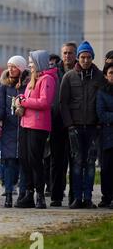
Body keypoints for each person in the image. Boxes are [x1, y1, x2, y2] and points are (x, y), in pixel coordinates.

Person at [60, 41, 104, 209]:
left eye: (89, 57)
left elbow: (103, 101)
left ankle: (88, 198)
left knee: (91, 163)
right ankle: (77, 197)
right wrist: (69, 125)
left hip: (94, 127)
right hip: (75, 127)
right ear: (78, 58)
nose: (85, 60)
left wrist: (99, 123)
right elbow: (63, 103)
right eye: (83, 57)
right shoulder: (69, 76)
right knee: (77, 163)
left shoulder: (99, 76)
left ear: (92, 58)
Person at [15, 50, 57, 209]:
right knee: (25, 160)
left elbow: (45, 102)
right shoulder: (34, 78)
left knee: (35, 160)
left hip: (38, 126)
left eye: (31, 62)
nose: (30, 65)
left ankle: (40, 195)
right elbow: (28, 100)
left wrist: (24, 102)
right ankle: (29, 194)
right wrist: (20, 102)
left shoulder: (47, 79)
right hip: (26, 123)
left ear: (39, 62)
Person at [0, 56, 29, 207]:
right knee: (8, 163)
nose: (10, 69)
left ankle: (23, 195)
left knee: (24, 163)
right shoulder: (5, 87)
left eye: (14, 66)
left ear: (21, 68)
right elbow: (1, 108)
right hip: (9, 130)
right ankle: (8, 195)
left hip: (26, 128)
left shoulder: (28, 85)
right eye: (9, 66)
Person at [49, 42, 78, 207]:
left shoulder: (80, 71)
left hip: (76, 122)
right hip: (57, 122)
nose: (67, 56)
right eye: (65, 53)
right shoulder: (53, 72)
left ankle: (75, 196)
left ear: (75, 55)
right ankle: (56, 196)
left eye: (71, 53)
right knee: (57, 161)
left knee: (75, 161)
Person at [96, 62, 113, 208]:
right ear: (106, 75)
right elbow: (101, 114)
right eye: (111, 73)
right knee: (106, 168)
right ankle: (106, 196)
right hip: (107, 135)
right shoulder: (102, 92)